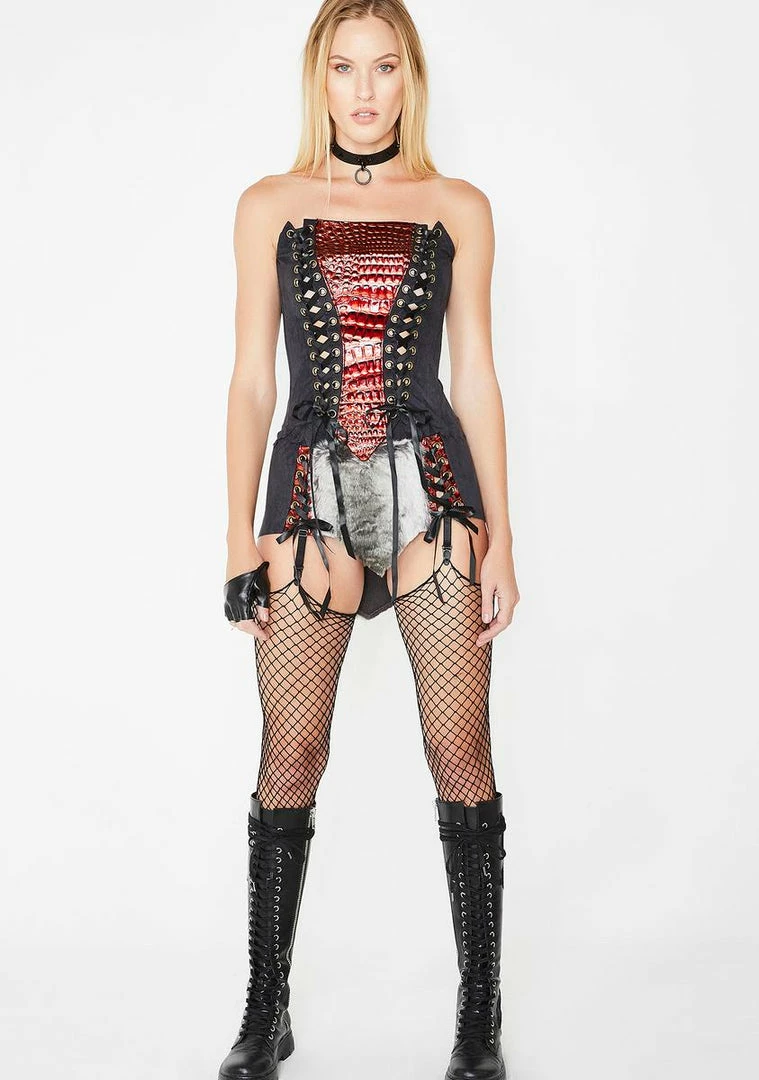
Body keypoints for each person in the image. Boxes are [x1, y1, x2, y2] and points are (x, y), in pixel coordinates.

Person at [218, 2, 520, 1078]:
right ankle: (265, 1012)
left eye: (383, 68)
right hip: (309, 494)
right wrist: (235, 536)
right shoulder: (269, 204)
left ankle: (479, 1020)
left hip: (434, 491)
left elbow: (473, 373)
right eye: (344, 68)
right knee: (291, 753)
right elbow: (252, 381)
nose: (363, 91)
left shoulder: (457, 206)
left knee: (459, 748)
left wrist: (505, 538)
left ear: (409, 79)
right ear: (319, 79)